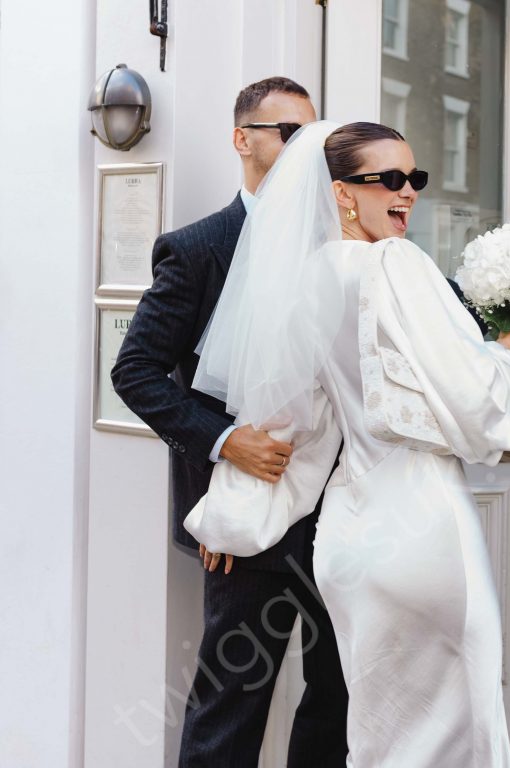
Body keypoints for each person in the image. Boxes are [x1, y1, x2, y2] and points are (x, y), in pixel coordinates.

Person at [189, 120, 510, 767]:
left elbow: (294, 430)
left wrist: (230, 520)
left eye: (415, 179)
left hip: (351, 544)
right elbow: (484, 414)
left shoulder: (311, 279)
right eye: (390, 180)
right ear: (343, 193)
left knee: (380, 739)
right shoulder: (396, 263)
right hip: (424, 531)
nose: (407, 193)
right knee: (459, 735)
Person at [111, 79, 348, 767]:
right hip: (242, 517)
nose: (309, 149)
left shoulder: (343, 242)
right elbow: (136, 373)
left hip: (343, 511)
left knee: (338, 693)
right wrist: (224, 455)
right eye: (290, 133)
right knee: (232, 701)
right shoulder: (197, 248)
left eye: (316, 135)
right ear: (243, 139)